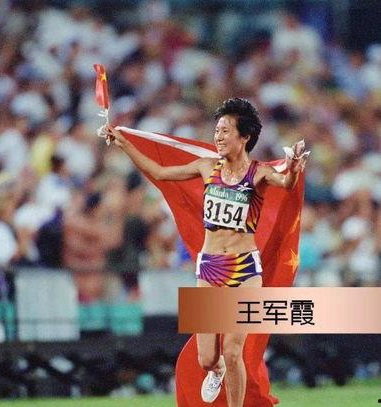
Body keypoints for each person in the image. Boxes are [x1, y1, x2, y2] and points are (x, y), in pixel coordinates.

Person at [106, 98, 307, 406]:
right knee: (207, 358)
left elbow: (287, 183)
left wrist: (293, 168)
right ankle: (217, 370)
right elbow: (160, 172)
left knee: (233, 350)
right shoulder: (206, 167)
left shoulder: (258, 174)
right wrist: (124, 145)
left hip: (245, 269)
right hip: (211, 267)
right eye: (217, 131)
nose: (218, 137)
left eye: (226, 131)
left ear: (245, 137)